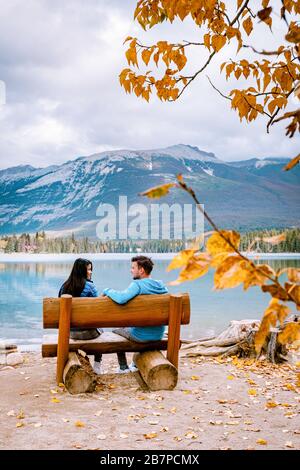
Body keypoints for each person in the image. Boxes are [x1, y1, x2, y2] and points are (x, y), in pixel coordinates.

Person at [102, 255, 168, 373]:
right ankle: (136, 364)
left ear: (141, 270)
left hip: (141, 336)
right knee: (132, 327)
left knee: (116, 330)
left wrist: (107, 291)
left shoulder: (138, 285)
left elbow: (121, 298)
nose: (130, 270)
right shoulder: (161, 286)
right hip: (158, 334)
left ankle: (123, 367)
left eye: (133, 267)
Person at [58, 258, 104, 374]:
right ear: (81, 271)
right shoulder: (90, 287)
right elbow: (98, 309)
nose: (91, 272)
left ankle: (79, 360)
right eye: (89, 270)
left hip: (69, 333)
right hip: (89, 334)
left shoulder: (64, 287)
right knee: (101, 330)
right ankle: (97, 366)